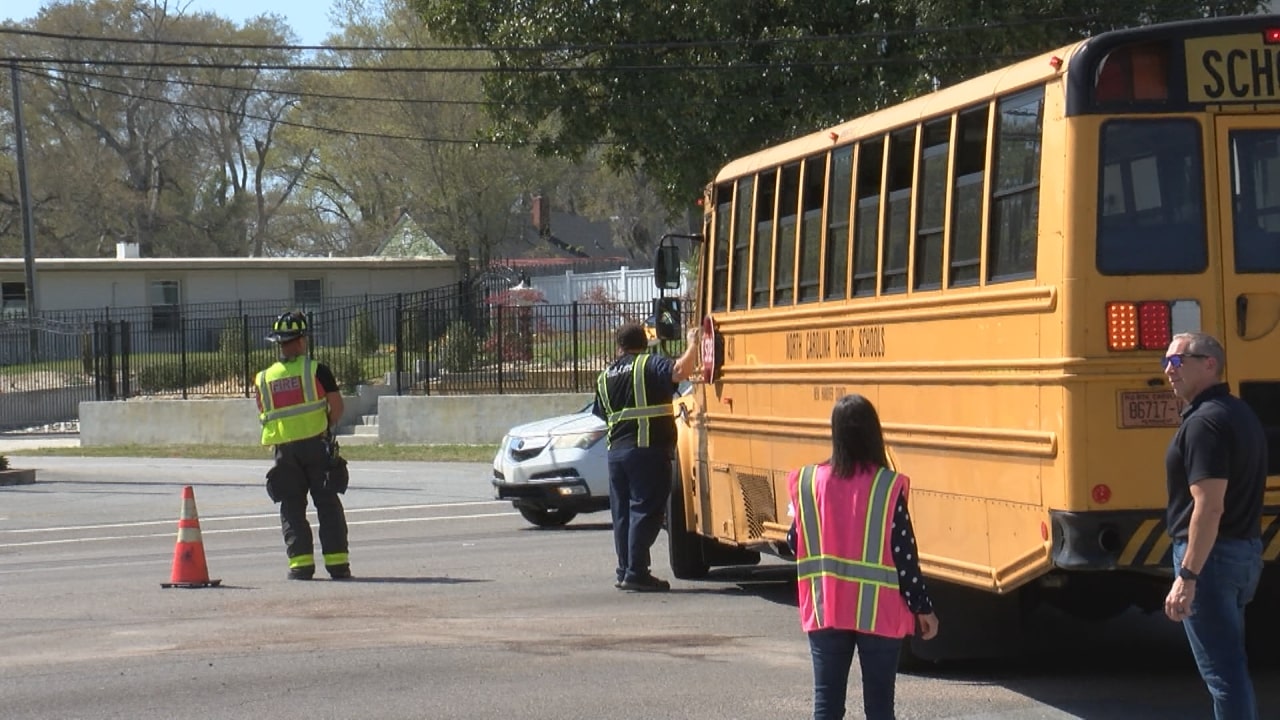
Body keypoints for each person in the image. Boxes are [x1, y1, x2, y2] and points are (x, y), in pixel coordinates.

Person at [787, 394, 939, 720]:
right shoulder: (886, 486)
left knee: (827, 706)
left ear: (835, 433)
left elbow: (793, 541)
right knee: (880, 708)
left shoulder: (810, 482)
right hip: (879, 613)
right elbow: (904, 554)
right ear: (873, 433)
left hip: (827, 608)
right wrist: (922, 607)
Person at [1161, 332, 1266, 720]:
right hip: (1242, 552)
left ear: (1209, 364)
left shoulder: (1205, 423)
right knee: (1231, 666)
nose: (1169, 370)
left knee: (1224, 675)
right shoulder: (1239, 412)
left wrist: (1188, 576)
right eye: (1166, 362)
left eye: (1177, 361)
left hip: (1212, 560)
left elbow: (1209, 507)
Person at [592, 320, 698, 592]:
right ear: (644, 342)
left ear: (619, 346)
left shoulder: (605, 376)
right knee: (646, 509)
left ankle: (625, 569)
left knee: (623, 514)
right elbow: (680, 371)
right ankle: (637, 572)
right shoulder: (649, 364)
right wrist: (693, 344)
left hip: (616, 454)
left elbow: (602, 414)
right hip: (647, 449)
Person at [254, 310, 352, 581]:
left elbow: (264, 412)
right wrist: (323, 426)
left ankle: (300, 565)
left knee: (291, 506)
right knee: (327, 503)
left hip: (284, 450)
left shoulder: (263, 378)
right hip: (316, 445)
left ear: (278, 343)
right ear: (301, 340)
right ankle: (338, 565)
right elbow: (337, 407)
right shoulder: (317, 370)